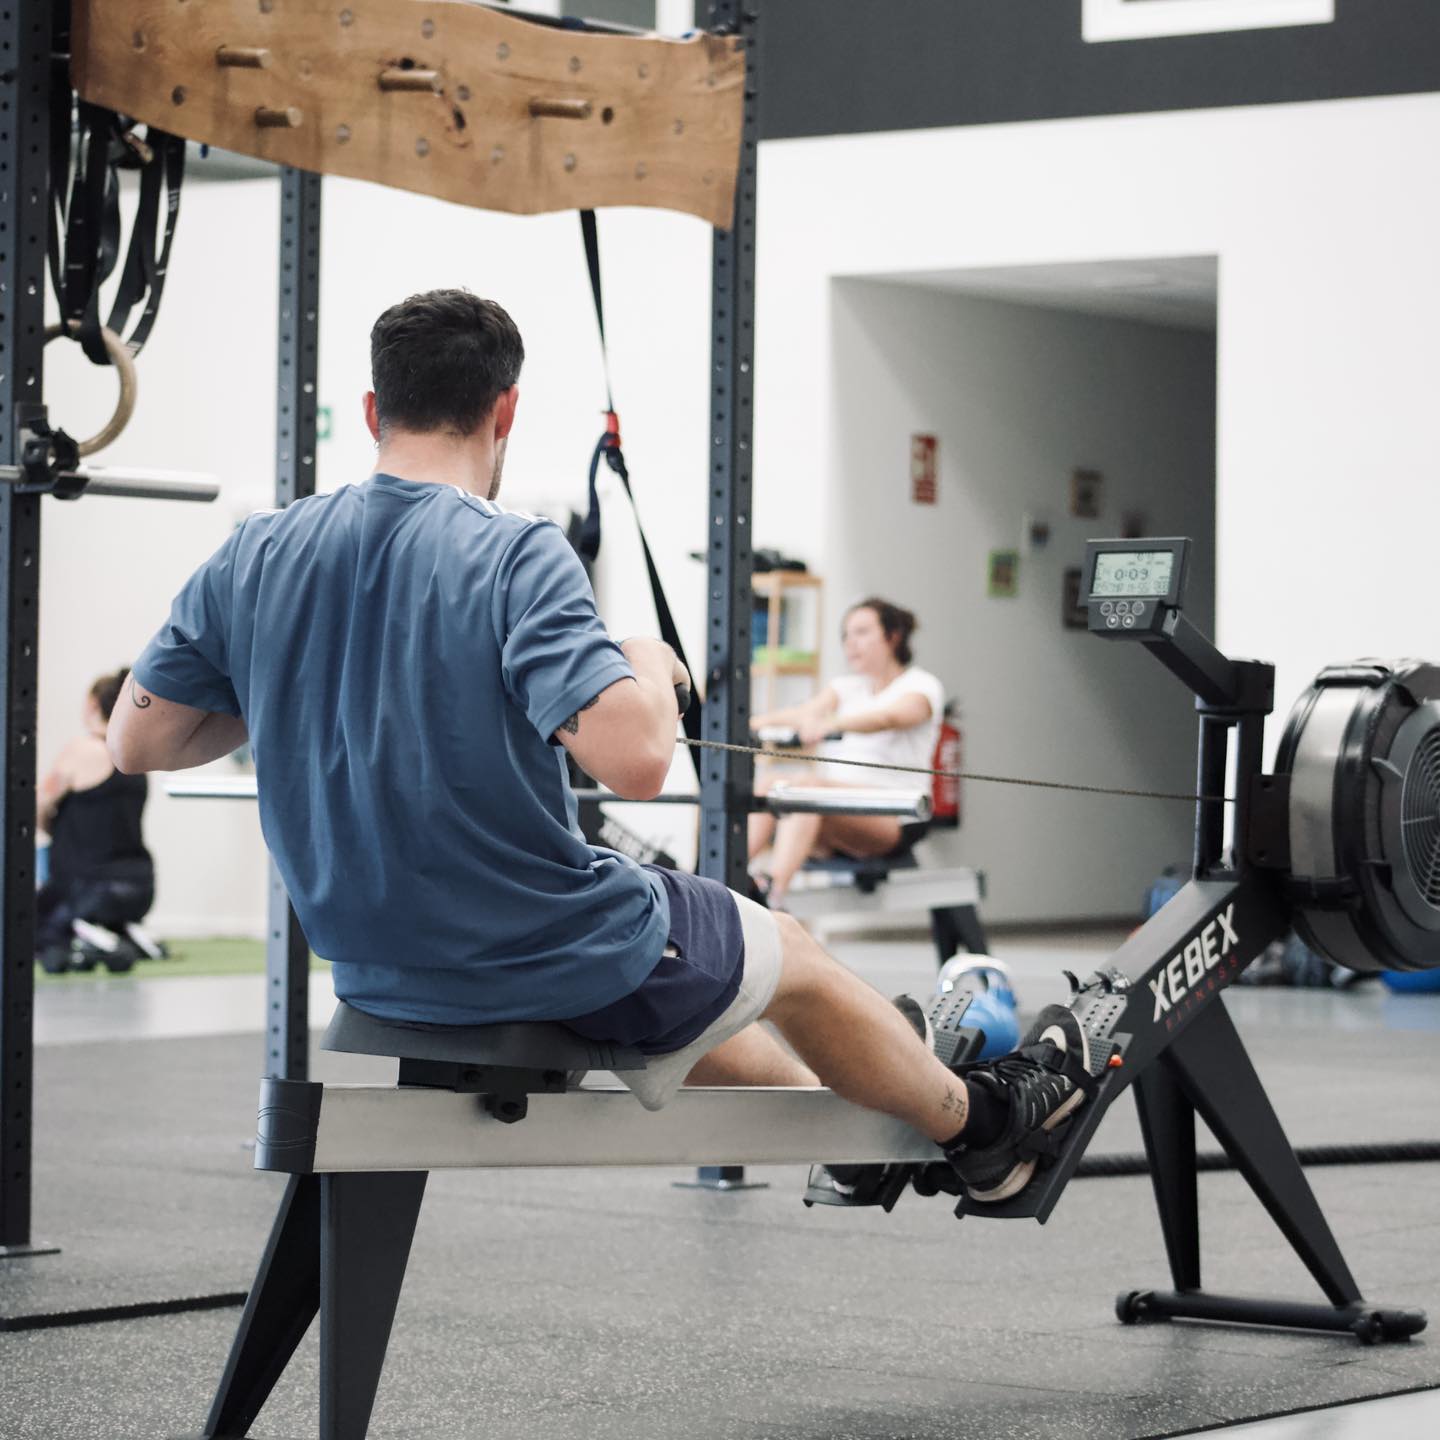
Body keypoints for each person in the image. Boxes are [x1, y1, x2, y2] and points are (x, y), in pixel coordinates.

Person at [107, 289, 1088, 1205]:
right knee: (783, 949)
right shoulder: (513, 550)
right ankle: (989, 1129)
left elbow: (138, 739)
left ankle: (864, 1123)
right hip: (533, 943)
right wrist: (648, 661)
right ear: (507, 411)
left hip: (370, 961)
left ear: (373, 410)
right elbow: (640, 762)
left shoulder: (257, 550)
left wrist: (292, 684)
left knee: (699, 984)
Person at [748, 598, 944, 907]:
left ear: (893, 636)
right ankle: (715, 879)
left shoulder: (920, 686)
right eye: (845, 635)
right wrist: (744, 724)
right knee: (768, 783)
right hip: (836, 811)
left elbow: (889, 718)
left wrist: (831, 724)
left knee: (806, 789)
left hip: (895, 816)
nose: (850, 643)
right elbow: (802, 713)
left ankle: (770, 892)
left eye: (862, 632)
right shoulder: (847, 687)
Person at [36, 667, 156, 971]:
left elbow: (35, 806)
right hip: (140, 888)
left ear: (92, 705)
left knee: (29, 925)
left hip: (86, 887)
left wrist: (50, 827)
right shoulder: (136, 757)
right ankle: (117, 930)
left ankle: (84, 933)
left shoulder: (82, 750)